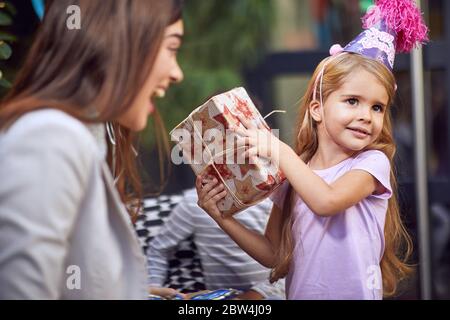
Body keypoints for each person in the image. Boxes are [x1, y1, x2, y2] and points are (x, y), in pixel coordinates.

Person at [196, 0, 428, 299]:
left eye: (377, 107)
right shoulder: (294, 172)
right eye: (352, 101)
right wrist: (221, 217)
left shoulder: (372, 164)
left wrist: (281, 153)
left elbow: (327, 201)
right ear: (317, 109)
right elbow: (273, 254)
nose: (366, 116)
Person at [0, 0, 184, 299]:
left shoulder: (80, 135)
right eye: (171, 48)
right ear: (119, 43)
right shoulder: (50, 137)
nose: (177, 73)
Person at [147, 188, 285, 300]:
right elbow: (158, 250)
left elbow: (290, 259)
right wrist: (153, 292)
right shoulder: (192, 202)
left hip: (269, 293)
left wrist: (259, 292)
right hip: (218, 295)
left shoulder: (272, 197)